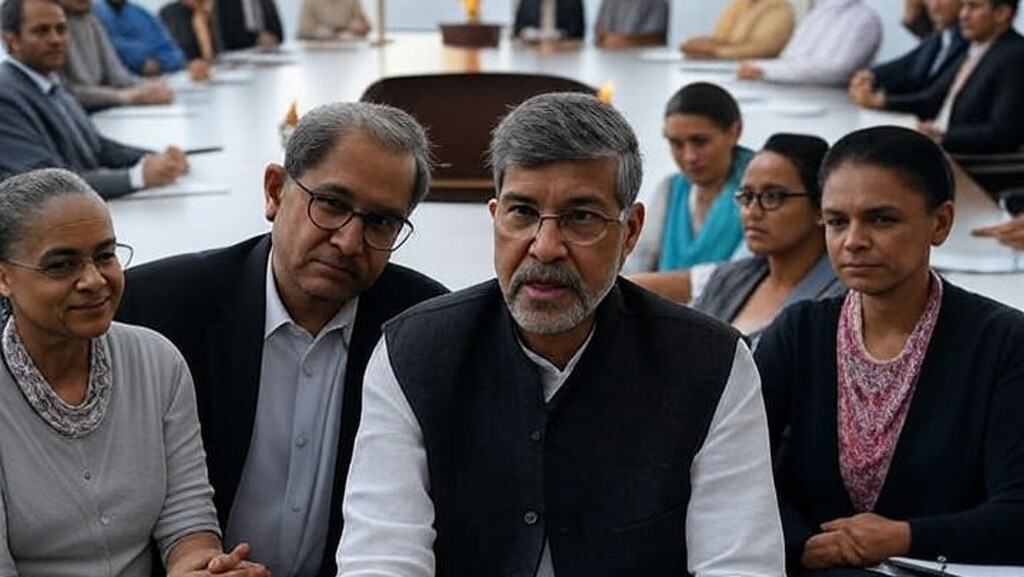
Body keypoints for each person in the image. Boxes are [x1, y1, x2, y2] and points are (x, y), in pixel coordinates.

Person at [336, 92, 785, 577]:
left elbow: (740, 565)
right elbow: (381, 558)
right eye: (523, 213)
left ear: (631, 231)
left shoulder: (711, 365)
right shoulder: (414, 354)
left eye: (580, 217)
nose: (546, 247)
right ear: (495, 217)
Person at [115, 102, 448, 577]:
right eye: (331, 204)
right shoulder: (157, 311)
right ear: (274, 191)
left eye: (380, 222)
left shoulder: (425, 331)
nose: (349, 241)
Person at [755, 126, 1024, 576]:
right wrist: (807, 546)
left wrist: (903, 536)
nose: (853, 240)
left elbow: (1016, 514)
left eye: (881, 219)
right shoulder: (800, 333)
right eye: (837, 222)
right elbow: (735, 473)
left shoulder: (1002, 343)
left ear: (941, 222)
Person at [0, 168, 269, 577]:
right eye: (61, 265)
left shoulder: (156, 361)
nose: (94, 280)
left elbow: (187, 521)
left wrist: (206, 568)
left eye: (105, 255)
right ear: (4, 277)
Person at [0, 0, 189, 199]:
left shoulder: (49, 82)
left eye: (61, 29)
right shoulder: (5, 97)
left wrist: (158, 159)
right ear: (12, 41)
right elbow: (45, 185)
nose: (56, 39)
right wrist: (136, 177)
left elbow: (97, 148)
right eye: (41, 31)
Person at [691, 133, 843, 346]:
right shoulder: (727, 280)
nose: (752, 212)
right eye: (746, 196)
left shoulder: (841, 299)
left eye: (773, 196)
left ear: (821, 207)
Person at [627, 82, 752, 276]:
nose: (689, 157)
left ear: (733, 132)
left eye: (700, 142)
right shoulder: (671, 189)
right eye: (676, 144)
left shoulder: (761, 193)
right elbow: (637, 261)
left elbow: (742, 273)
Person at [889, 0, 1024, 154]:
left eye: (973, 7)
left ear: (1001, 13)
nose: (963, 15)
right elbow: (931, 98)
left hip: (965, 158)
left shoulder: (1015, 56)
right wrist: (883, 101)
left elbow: (1002, 133)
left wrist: (942, 137)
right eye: (963, 6)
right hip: (941, 146)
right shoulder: (975, 48)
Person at [849, 0, 967, 110]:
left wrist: (883, 102)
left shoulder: (968, 43)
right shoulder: (941, 35)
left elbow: (934, 97)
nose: (933, 6)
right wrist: (869, 76)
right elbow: (906, 66)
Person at [57, 0, 173, 110]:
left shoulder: (90, 19)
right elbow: (62, 91)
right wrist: (123, 97)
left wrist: (149, 87)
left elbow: (117, 75)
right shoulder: (54, 29)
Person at [736, 0, 882, 86]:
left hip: (831, 99)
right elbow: (790, 57)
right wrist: (761, 67)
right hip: (792, 89)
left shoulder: (865, 18)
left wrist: (767, 71)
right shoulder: (818, 13)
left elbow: (838, 71)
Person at [93, 0, 185, 77]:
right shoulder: (94, 14)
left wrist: (160, 64)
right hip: (120, 80)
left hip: (158, 77)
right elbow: (109, 44)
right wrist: (140, 62)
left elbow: (170, 49)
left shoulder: (142, 13)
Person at [680, 0, 795, 60]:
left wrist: (715, 52)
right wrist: (699, 44)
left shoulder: (780, 9)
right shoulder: (740, 4)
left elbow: (764, 49)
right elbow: (720, 38)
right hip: (727, 67)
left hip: (754, 75)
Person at [159, 0, 217, 81]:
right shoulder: (170, 14)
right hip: (190, 75)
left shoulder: (220, 9)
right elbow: (170, 54)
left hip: (223, 70)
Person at [593, 0, 667, 48]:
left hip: (642, 63)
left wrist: (617, 41)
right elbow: (599, 38)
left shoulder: (656, 2)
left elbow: (656, 39)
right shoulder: (609, 2)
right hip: (610, 60)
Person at [214, 0, 283, 50]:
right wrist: (257, 38)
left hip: (268, 54)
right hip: (239, 55)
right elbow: (228, 34)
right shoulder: (225, 2)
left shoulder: (266, 2)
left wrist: (272, 38)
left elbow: (279, 33)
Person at [513, 0, 584, 44]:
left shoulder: (572, 2)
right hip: (532, 52)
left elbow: (578, 32)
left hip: (563, 54)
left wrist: (560, 35)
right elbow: (517, 29)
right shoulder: (527, 2)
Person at [297, 0, 369, 40]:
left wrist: (356, 30)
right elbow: (305, 29)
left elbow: (365, 26)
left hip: (346, 48)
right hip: (317, 49)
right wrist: (326, 34)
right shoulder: (310, 2)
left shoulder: (352, 1)